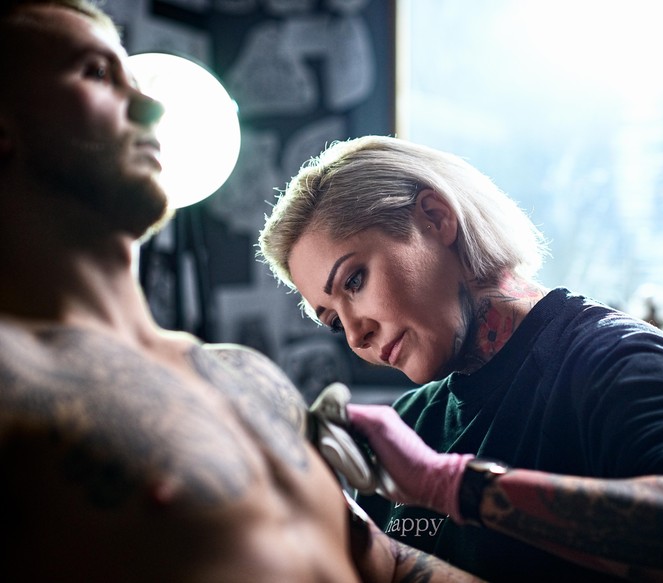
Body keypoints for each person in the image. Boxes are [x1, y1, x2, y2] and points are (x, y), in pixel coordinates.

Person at [0, 2, 484, 581]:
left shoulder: (249, 377)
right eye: (96, 72)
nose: (152, 105)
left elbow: (391, 564)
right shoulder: (13, 380)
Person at [258, 135, 663, 582]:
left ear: (435, 218)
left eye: (354, 281)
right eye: (332, 321)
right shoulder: (408, 427)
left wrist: (449, 484)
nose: (356, 335)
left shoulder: (616, 359)